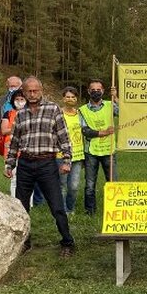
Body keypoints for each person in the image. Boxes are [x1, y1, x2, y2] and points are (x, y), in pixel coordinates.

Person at [3, 77, 76, 256]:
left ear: (41, 90)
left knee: (57, 206)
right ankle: (24, 242)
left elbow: (64, 138)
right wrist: (9, 164)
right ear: (24, 92)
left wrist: (66, 161)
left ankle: (67, 242)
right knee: (21, 207)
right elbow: (15, 142)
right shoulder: (20, 114)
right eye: (29, 91)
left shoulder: (53, 109)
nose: (33, 94)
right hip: (25, 164)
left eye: (36, 91)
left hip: (47, 164)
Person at [80, 78, 118, 216]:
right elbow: (85, 131)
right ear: (89, 91)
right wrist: (104, 132)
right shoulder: (82, 110)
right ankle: (90, 212)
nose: (96, 92)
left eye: (98, 90)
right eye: (93, 90)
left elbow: (125, 112)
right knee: (90, 185)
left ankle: (115, 211)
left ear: (103, 91)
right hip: (91, 152)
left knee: (113, 183)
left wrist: (116, 97)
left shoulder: (110, 105)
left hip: (109, 150)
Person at [60, 86, 85, 215]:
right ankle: (63, 211)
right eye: (68, 97)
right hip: (62, 155)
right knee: (62, 184)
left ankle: (71, 208)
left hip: (78, 155)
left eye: (73, 97)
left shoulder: (80, 114)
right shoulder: (58, 114)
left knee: (74, 186)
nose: (70, 99)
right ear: (63, 98)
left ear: (76, 99)